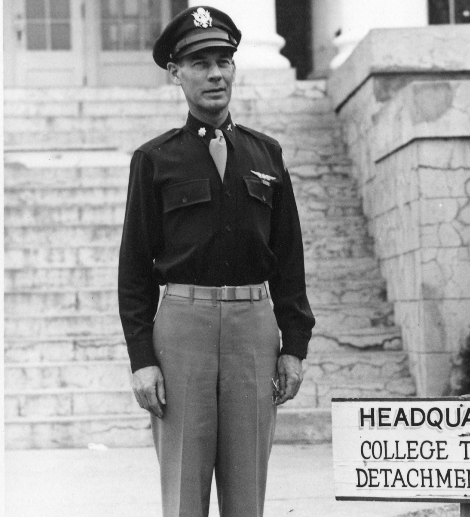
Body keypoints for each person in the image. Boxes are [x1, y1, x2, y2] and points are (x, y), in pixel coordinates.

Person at [117, 6, 315, 517]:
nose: (215, 73)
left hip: (254, 326)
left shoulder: (266, 155)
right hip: (183, 329)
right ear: (175, 73)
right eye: (199, 62)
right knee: (184, 492)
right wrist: (142, 359)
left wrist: (293, 345)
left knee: (247, 493)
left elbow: (289, 260)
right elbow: (134, 270)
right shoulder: (155, 160)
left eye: (224, 60)